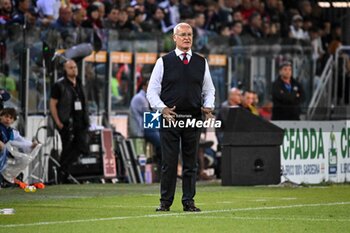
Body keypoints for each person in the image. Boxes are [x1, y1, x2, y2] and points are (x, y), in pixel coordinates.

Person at [147, 22, 215, 212]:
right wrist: (162, 109)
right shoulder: (163, 62)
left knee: (191, 163)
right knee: (169, 163)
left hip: (193, 119)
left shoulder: (201, 62)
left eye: (190, 34)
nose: (187, 38)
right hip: (170, 119)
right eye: (183, 34)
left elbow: (209, 90)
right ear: (174, 38)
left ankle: (188, 202)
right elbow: (151, 92)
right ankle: (165, 202)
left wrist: (209, 105)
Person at [49, 59, 90, 183]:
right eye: (71, 67)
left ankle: (64, 170)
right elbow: (52, 104)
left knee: (82, 147)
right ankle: (63, 174)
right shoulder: (59, 85)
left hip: (81, 122)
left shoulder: (79, 83)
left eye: (75, 67)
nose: (74, 69)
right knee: (67, 148)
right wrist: (58, 122)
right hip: (67, 122)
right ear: (65, 70)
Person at [0, 108, 40, 188]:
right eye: (6, 116)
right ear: (0, 116)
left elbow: (21, 141)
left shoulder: (11, 132)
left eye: (11, 118)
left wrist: (31, 145)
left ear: (13, 121)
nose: (8, 119)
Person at [129, 78, 161, 166]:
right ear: (144, 86)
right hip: (141, 129)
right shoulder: (140, 98)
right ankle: (161, 165)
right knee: (162, 143)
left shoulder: (147, 97)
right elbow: (151, 119)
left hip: (148, 128)